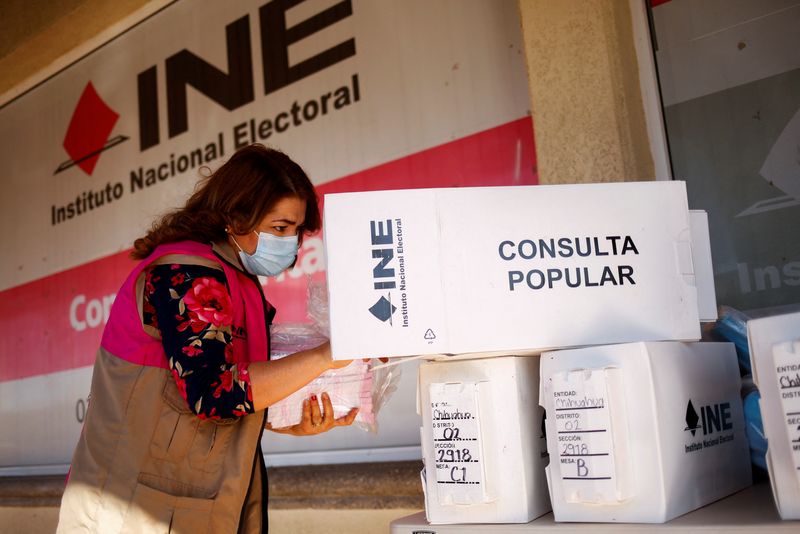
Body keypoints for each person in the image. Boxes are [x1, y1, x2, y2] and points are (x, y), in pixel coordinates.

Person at [57, 145, 357, 533]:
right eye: (280, 227)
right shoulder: (187, 273)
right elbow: (212, 393)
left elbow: (206, 396)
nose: (291, 242)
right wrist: (325, 357)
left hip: (187, 503)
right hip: (134, 509)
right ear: (235, 217)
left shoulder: (232, 276)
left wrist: (286, 422)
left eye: (297, 230)